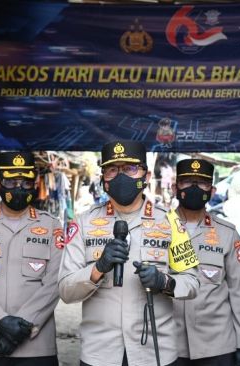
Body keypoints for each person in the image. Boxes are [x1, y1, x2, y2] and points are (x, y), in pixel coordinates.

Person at [59, 140, 200, 366]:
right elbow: (66, 290)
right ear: (103, 178)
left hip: (155, 353)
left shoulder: (170, 220)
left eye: (130, 168)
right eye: (112, 170)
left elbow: (193, 282)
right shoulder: (84, 223)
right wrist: (97, 268)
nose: (120, 177)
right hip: (100, 354)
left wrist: (164, 281)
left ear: (145, 175)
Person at [0, 152, 63, 366]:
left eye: (26, 182)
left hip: (37, 346)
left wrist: (21, 327)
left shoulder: (51, 225)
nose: (19, 187)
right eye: (11, 181)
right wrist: (0, 320)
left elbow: (55, 281)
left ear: (35, 184)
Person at [171, 159, 240, 366]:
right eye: (187, 182)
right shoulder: (158, 230)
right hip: (168, 343)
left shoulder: (226, 233)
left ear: (211, 191)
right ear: (175, 188)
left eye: (201, 183)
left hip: (217, 345)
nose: (194, 188)